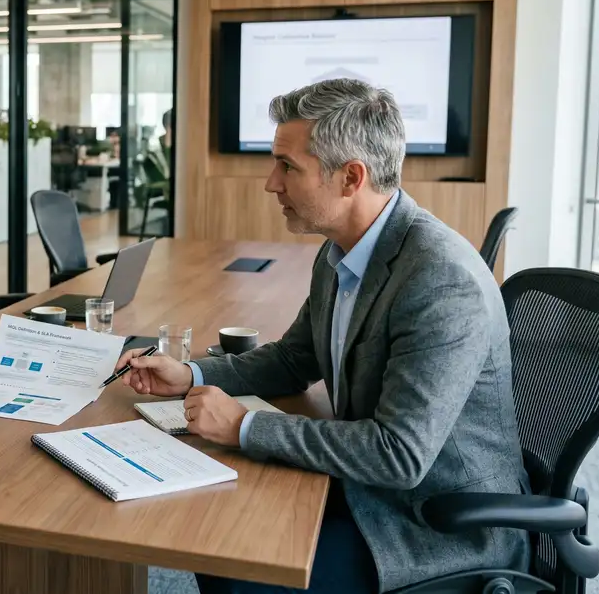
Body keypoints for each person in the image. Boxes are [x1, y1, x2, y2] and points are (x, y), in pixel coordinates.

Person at [117, 78, 529, 593]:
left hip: (432, 524)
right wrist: (191, 373)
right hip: (371, 490)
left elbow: (398, 454)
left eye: (288, 166)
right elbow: (294, 360)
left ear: (351, 177)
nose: (272, 183)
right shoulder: (342, 250)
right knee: (214, 519)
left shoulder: (439, 279)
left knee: (233, 562)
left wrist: (246, 426)